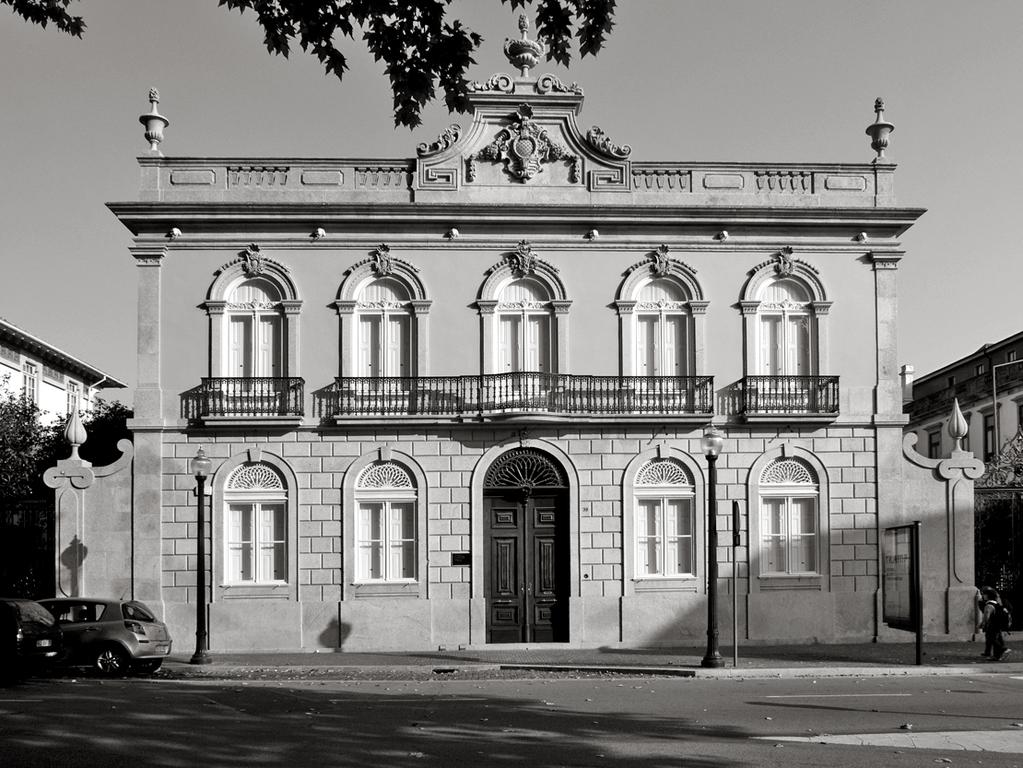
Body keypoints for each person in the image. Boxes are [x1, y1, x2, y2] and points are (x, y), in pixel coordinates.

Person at [979, 586, 1011, 661]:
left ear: (987, 595)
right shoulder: (996, 603)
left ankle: (1003, 649)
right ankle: (997, 656)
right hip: (998, 624)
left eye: (984, 594)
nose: (982, 596)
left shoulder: (989, 605)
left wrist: (982, 624)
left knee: (991, 638)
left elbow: (986, 616)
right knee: (995, 638)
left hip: (993, 624)